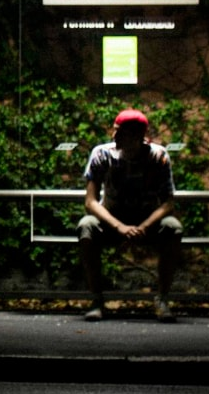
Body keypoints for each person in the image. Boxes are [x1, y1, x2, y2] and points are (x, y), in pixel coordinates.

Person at [77, 108, 182, 322]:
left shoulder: (158, 156)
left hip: (147, 222)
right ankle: (96, 299)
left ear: (137, 136)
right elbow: (90, 202)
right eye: (114, 131)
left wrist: (144, 226)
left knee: (173, 227)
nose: (113, 136)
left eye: (119, 132)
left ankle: (162, 299)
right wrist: (118, 227)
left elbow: (168, 204)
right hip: (111, 221)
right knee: (86, 226)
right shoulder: (102, 154)